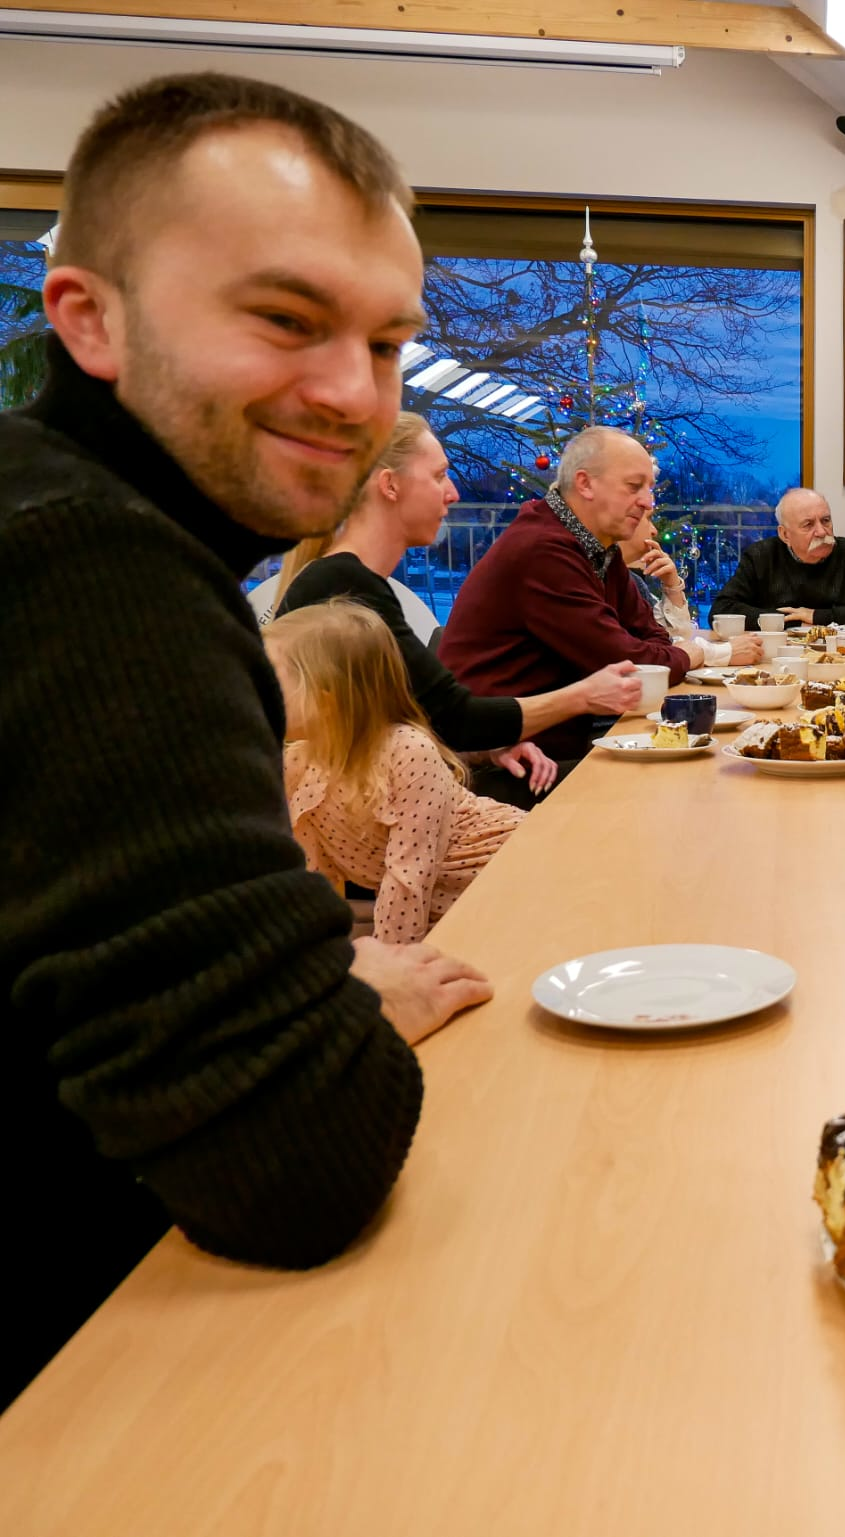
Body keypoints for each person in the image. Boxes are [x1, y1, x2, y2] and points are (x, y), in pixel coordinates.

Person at [0, 72, 492, 1409]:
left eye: (389, 342)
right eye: (287, 318)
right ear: (88, 319)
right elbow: (300, 1162)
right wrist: (352, 999)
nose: (356, 393)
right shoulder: (91, 562)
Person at [275, 411, 647, 799]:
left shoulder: (355, 582)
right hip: (381, 823)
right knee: (622, 788)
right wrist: (583, 696)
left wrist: (483, 749)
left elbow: (413, 721)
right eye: (438, 476)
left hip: (413, 793)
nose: (452, 493)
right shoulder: (344, 588)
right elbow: (456, 719)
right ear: (390, 486)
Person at [436, 426, 713, 801]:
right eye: (634, 487)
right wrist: (693, 654)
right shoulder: (543, 550)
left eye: (649, 489)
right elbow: (630, 660)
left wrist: (664, 654)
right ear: (585, 484)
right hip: (504, 761)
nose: (648, 502)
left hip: (555, 743)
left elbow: (651, 640)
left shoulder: (598, 547)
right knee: (677, 785)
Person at [269, 602, 524, 944]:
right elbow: (313, 874)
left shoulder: (407, 750)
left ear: (326, 698)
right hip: (444, 908)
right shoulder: (298, 761)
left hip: (510, 867)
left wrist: (393, 969)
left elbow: (407, 879)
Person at [710, 487, 845, 628]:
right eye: (808, 525)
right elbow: (721, 611)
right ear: (785, 535)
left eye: (826, 520)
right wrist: (793, 621)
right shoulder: (761, 556)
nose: (822, 532)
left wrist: (818, 617)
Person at [617, 506, 762, 670]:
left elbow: (669, 641)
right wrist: (722, 652)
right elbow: (641, 656)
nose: (654, 531)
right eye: (649, 519)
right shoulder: (600, 578)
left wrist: (672, 585)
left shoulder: (633, 581)